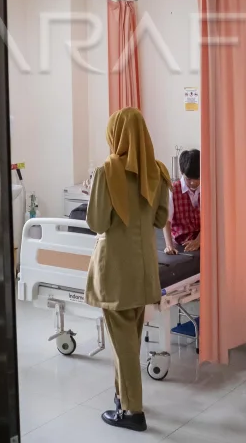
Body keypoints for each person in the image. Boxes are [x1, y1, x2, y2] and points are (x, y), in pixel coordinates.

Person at [84, 107, 171, 432]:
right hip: (144, 269)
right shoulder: (157, 172)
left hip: (116, 271)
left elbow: (96, 222)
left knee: (123, 348)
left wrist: (94, 192)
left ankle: (133, 412)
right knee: (130, 341)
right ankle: (123, 397)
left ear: (116, 135)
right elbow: (160, 219)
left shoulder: (107, 171)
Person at [163, 148, 201, 255]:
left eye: (197, 178)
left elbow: (211, 220)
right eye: (189, 179)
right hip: (181, 242)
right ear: (182, 172)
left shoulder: (208, 188)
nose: (193, 183)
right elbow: (166, 221)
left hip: (203, 237)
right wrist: (169, 246)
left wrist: (199, 240)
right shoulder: (173, 190)